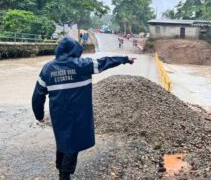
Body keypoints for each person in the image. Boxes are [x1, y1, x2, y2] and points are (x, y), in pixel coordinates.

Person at [31, 36, 135, 180]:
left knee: (63, 140)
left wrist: (39, 115)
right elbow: (105, 61)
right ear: (75, 50)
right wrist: (124, 59)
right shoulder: (83, 65)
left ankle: (60, 167)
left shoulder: (47, 68)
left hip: (58, 115)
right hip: (78, 115)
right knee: (73, 145)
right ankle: (64, 174)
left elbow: (38, 95)